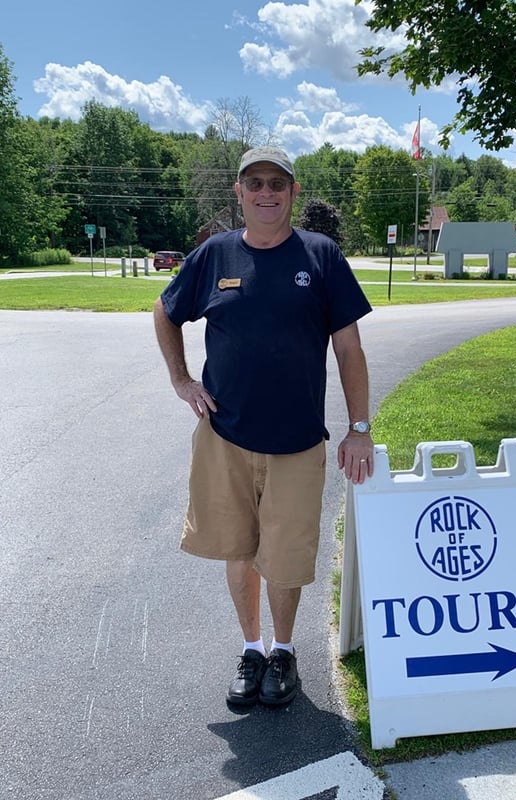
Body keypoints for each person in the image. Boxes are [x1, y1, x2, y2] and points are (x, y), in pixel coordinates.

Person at [153, 145, 373, 707]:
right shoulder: (214, 256)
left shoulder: (321, 256)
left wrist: (359, 427)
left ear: (293, 192)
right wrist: (181, 381)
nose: (267, 192)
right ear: (240, 192)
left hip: (297, 443)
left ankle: (283, 651)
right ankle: (251, 650)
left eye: (278, 183)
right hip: (225, 436)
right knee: (238, 548)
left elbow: (348, 348)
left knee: (285, 555)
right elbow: (165, 311)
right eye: (255, 183)